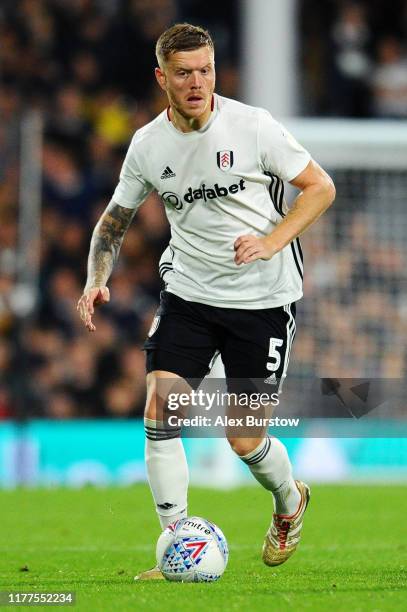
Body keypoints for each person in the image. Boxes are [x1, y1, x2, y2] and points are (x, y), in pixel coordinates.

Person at [77, 23, 336, 579]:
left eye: (206, 70)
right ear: (161, 78)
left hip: (263, 299)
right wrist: (97, 277)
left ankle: (290, 501)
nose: (197, 82)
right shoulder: (148, 145)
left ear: (215, 69)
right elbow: (114, 223)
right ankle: (176, 543)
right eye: (183, 73)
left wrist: (272, 240)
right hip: (189, 293)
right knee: (159, 410)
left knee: (243, 436)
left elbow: (321, 187)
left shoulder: (253, 126)